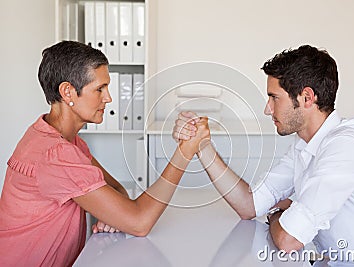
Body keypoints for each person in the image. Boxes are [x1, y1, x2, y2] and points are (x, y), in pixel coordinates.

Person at [173, 45, 354, 265]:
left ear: (307, 98)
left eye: (274, 97)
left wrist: (276, 217)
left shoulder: (346, 147)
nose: (267, 109)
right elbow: (249, 205)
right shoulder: (304, 144)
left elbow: (288, 240)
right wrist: (202, 147)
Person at [0, 40, 210, 267]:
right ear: (67, 91)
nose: (108, 98)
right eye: (99, 89)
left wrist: (111, 215)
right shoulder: (56, 154)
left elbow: (116, 190)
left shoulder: (65, 141)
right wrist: (185, 152)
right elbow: (139, 221)